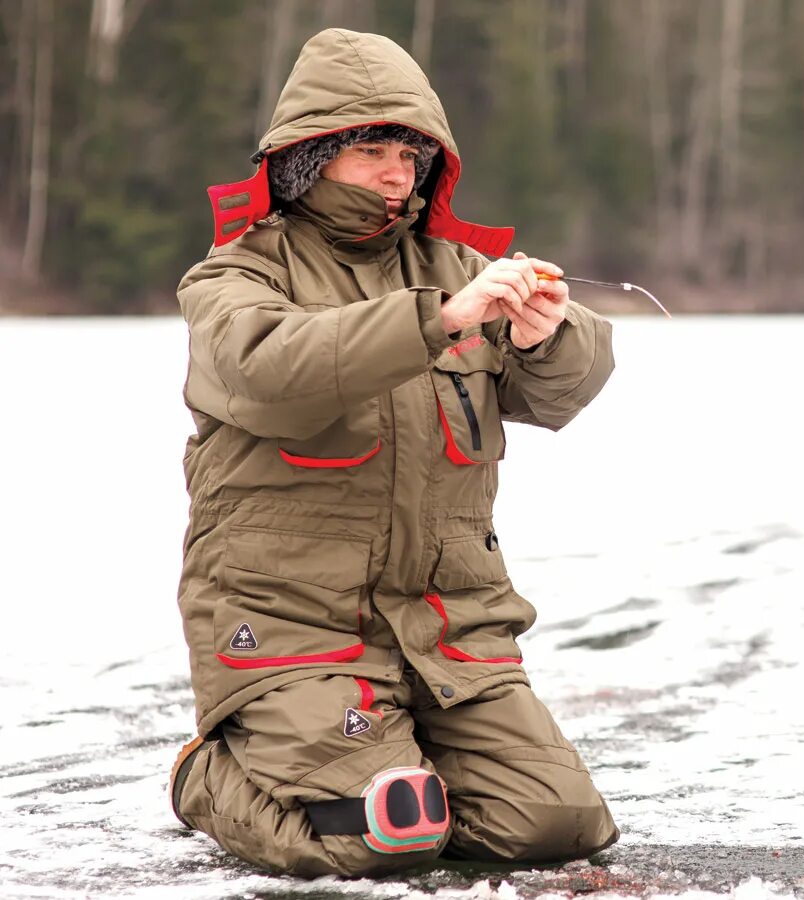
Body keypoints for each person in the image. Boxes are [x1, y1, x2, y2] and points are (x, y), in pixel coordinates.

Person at [168, 28, 619, 877]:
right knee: (377, 835)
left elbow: (559, 393)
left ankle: (408, 766)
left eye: (410, 155)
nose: (395, 174)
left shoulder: (458, 265)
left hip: (448, 633)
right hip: (294, 630)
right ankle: (208, 776)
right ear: (308, 158)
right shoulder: (235, 277)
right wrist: (440, 318)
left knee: (555, 824)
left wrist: (553, 333)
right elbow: (265, 372)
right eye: (371, 150)